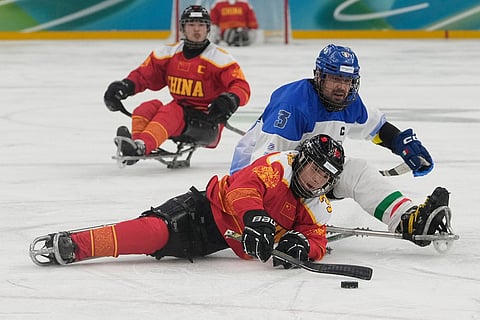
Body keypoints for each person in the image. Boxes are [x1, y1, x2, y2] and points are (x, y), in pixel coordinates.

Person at [230, 43, 450, 246]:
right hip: (254, 184)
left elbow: (375, 128)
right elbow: (263, 168)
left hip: (311, 176)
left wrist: (403, 144)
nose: (341, 88)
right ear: (319, 77)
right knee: (306, 171)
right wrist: (268, 217)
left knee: (357, 171)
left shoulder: (347, 102)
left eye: (347, 81)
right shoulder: (293, 106)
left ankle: (407, 218)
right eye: (335, 79)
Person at [31, 135, 349, 267]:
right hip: (204, 211)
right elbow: (243, 188)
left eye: (324, 176)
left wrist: (304, 248)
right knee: (152, 233)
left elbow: (316, 237)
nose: (315, 179)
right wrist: (256, 217)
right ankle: (75, 244)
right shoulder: (279, 164)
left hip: (215, 244)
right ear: (302, 159)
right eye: (314, 168)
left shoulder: (319, 203)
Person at [103, 5, 251, 166]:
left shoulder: (220, 58)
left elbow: (241, 86)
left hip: (208, 123)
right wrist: (124, 87)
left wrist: (229, 99)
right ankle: (138, 145)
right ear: (182, 28)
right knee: (146, 107)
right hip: (180, 114)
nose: (196, 30)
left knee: (171, 110)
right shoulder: (168, 53)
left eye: (201, 25)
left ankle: (142, 146)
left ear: (208, 29)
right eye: (191, 25)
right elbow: (144, 75)